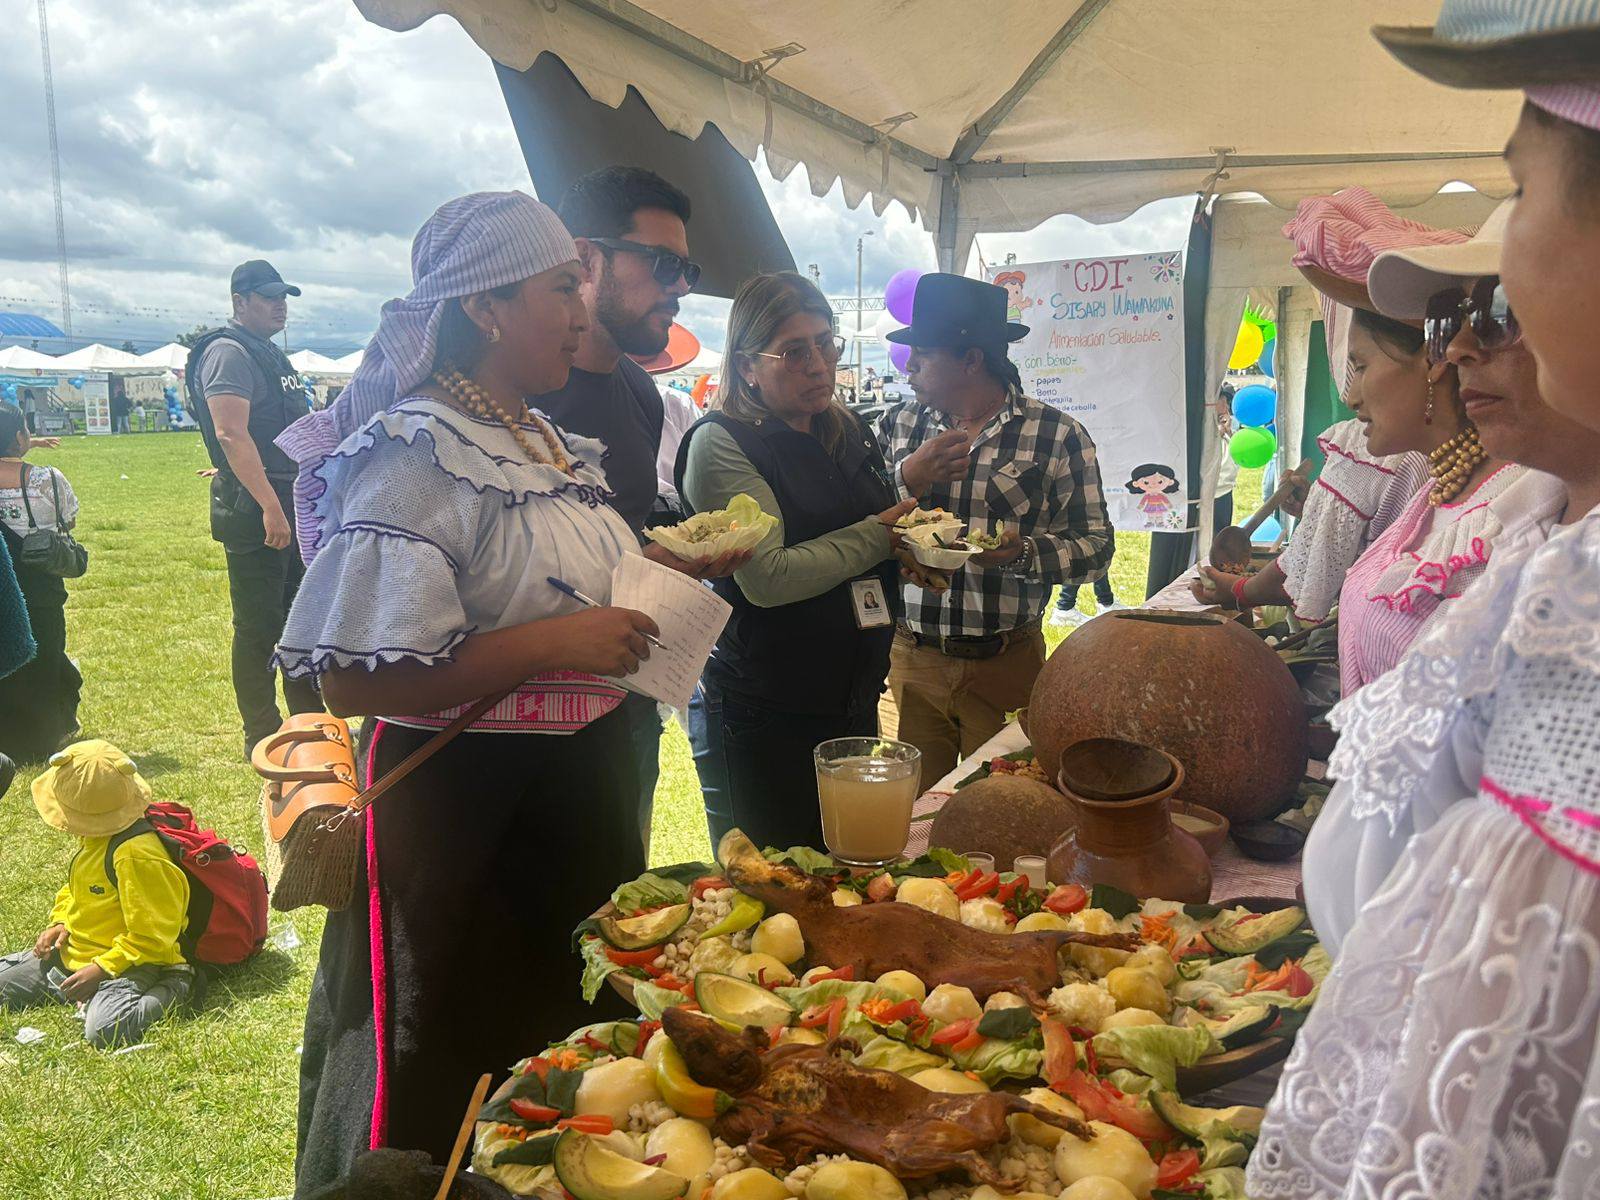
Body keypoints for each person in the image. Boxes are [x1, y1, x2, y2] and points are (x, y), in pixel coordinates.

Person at [272, 192, 710, 1190]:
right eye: (560, 289)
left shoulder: (541, 438)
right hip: (466, 818)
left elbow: (545, 579)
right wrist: (557, 641)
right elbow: (349, 676)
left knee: (561, 1047)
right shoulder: (414, 450)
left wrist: (653, 574)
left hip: (572, 799)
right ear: (483, 307)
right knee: (453, 1054)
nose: (580, 313)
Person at [1248, 8, 1600, 1195]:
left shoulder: (1571, 598)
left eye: (1524, 192)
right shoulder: (1552, 552)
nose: (1454, 352)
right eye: (1444, 326)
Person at [678, 273, 913, 849]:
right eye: (794, 352)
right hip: (765, 713)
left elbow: (860, 534)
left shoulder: (844, 427)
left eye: (825, 344)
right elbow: (769, 577)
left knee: (850, 866)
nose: (819, 365)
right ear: (746, 366)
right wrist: (881, 538)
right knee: (772, 881)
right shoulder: (722, 442)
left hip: (852, 698)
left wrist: (910, 555)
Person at [875, 274, 1114, 784]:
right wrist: (907, 479)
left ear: (971, 359)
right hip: (911, 662)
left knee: (1002, 806)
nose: (908, 365)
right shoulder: (897, 425)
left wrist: (1023, 553)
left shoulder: (1057, 435)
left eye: (923, 353)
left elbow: (1097, 548)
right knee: (908, 814)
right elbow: (856, 521)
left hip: (1007, 662)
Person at [532, 167, 697, 858]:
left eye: (687, 269)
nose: (681, 287)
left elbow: (618, 548)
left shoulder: (641, 390)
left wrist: (672, 560)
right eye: (663, 264)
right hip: (517, 728)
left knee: (624, 886)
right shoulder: (512, 393)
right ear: (586, 259)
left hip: (624, 704)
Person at [187, 260, 322, 758]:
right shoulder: (229, 352)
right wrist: (270, 505)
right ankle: (262, 734)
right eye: (268, 297)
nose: (280, 306)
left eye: (283, 297)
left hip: (287, 496)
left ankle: (309, 722)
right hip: (259, 504)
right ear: (239, 302)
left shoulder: (264, 351)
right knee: (260, 626)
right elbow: (230, 433)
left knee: (300, 619)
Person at [0, 741, 193, 1048]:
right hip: (76, 954)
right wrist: (60, 923)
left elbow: (155, 936)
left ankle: (177, 986)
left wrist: (102, 969)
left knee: (105, 1030)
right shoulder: (97, 836)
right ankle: (80, 992)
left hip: (135, 965)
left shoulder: (136, 855)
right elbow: (76, 889)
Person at [0, 401, 82, 761]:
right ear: (20, 436)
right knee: (46, 652)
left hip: (3, 580)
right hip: (41, 581)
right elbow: (69, 519)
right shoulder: (46, 478)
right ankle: (43, 734)